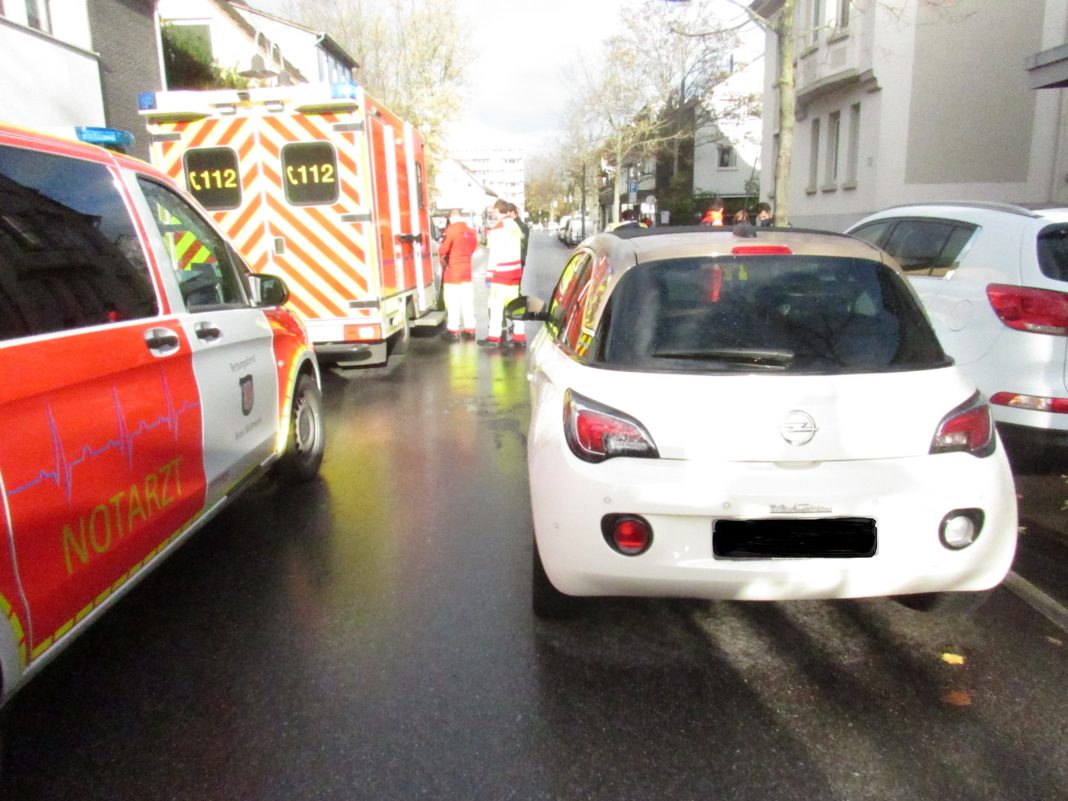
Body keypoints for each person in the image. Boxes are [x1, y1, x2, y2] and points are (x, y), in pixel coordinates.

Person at [479, 198, 525, 348]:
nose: (493, 214)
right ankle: (519, 336)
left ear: (498, 211)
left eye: (494, 211)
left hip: (501, 274)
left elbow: (494, 254)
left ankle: (494, 337)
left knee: (495, 305)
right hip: (514, 272)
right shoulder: (514, 226)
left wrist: (489, 275)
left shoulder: (497, 229)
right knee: (514, 305)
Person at [438, 209, 478, 340]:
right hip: (467, 272)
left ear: (450, 218)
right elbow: (473, 248)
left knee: (452, 302)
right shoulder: (470, 231)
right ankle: (470, 328)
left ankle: (453, 329)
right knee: (467, 302)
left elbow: (443, 249)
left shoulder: (451, 231)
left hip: (453, 272)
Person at [507, 202, 530, 268]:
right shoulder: (511, 224)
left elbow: (522, 244)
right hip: (517, 259)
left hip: (517, 259)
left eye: (507, 214)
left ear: (512, 212)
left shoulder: (521, 226)